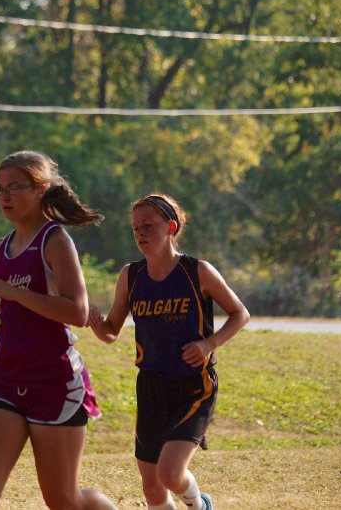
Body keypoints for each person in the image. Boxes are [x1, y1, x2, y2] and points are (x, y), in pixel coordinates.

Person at [0, 150, 117, 510]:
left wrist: (13, 292)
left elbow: (77, 311)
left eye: (14, 188)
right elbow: (10, 300)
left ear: (41, 189)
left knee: (63, 500)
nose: (4, 197)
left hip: (54, 382)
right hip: (5, 379)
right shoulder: (0, 247)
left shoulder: (55, 241)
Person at [87, 193, 250, 510]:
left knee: (170, 474)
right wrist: (95, 323)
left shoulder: (197, 271)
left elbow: (239, 313)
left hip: (193, 385)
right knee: (152, 488)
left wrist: (209, 344)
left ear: (171, 227)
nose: (140, 233)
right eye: (135, 228)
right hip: (151, 387)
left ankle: (199, 505)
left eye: (148, 225)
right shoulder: (131, 275)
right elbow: (110, 331)